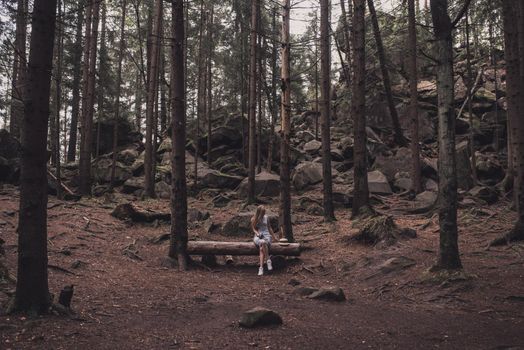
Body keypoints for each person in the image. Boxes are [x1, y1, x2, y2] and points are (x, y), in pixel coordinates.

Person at [251, 205, 278, 276]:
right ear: (259, 212)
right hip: (258, 236)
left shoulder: (266, 218)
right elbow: (253, 229)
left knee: (262, 247)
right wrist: (257, 233)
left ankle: (261, 268)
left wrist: (274, 237)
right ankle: (268, 261)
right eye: (263, 212)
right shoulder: (254, 219)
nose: (264, 213)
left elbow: (269, 228)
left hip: (267, 236)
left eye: (264, 212)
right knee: (262, 243)